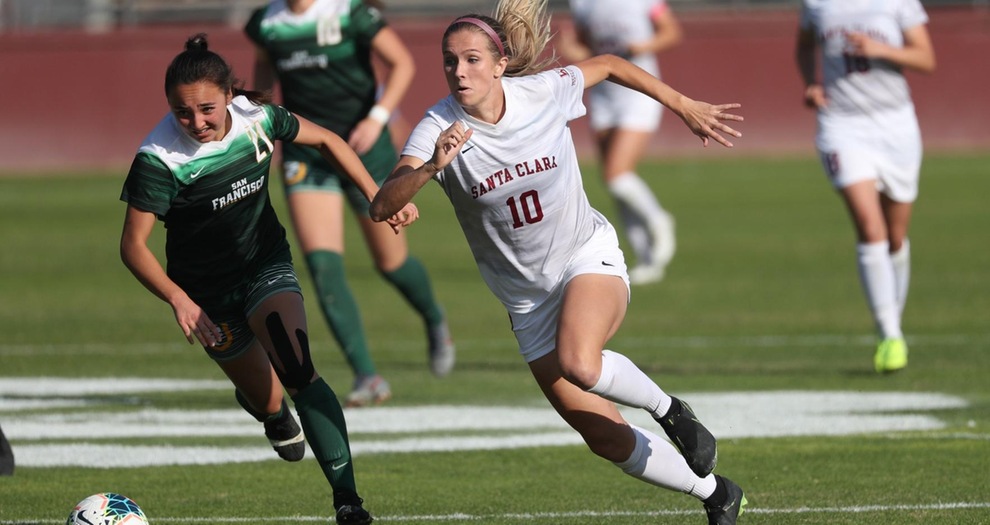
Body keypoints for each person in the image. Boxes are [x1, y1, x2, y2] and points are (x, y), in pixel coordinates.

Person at [369, 1, 746, 523]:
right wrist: (433, 166)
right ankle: (716, 494)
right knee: (604, 436)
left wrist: (682, 105)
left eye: (473, 59)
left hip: (585, 256)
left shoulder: (544, 91)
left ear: (500, 65)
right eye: (450, 61)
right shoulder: (438, 127)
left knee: (580, 362)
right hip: (526, 301)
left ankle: (671, 411)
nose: (460, 72)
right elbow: (382, 204)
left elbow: (611, 64)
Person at [119, 34, 416, 524]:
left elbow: (329, 140)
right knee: (270, 398)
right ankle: (273, 415)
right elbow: (132, 246)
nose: (196, 123)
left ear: (229, 96)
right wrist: (179, 299)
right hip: (207, 297)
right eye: (182, 113)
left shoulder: (259, 118)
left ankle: (348, 501)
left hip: (264, 265)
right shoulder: (159, 158)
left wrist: (375, 197)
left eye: (207, 109)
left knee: (298, 367)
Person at [245, 0, 455, 408]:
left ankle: (433, 317)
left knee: (391, 263)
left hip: (366, 153)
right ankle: (367, 375)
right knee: (323, 267)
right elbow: (265, 81)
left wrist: (377, 117)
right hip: (307, 156)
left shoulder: (349, 12)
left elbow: (402, 63)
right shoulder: (265, 23)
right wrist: (263, 128)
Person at [796, 0, 936, 373]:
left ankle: (892, 324)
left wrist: (882, 49)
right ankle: (889, 333)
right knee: (869, 226)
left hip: (895, 127)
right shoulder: (816, 5)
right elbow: (804, 44)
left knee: (894, 236)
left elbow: (927, 58)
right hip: (842, 126)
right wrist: (812, 83)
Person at [557, 0, 683, 285]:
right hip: (604, 97)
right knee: (614, 183)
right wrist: (575, 52)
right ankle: (645, 258)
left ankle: (659, 220)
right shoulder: (583, 5)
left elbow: (672, 32)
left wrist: (641, 47)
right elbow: (590, 51)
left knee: (616, 175)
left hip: (638, 95)